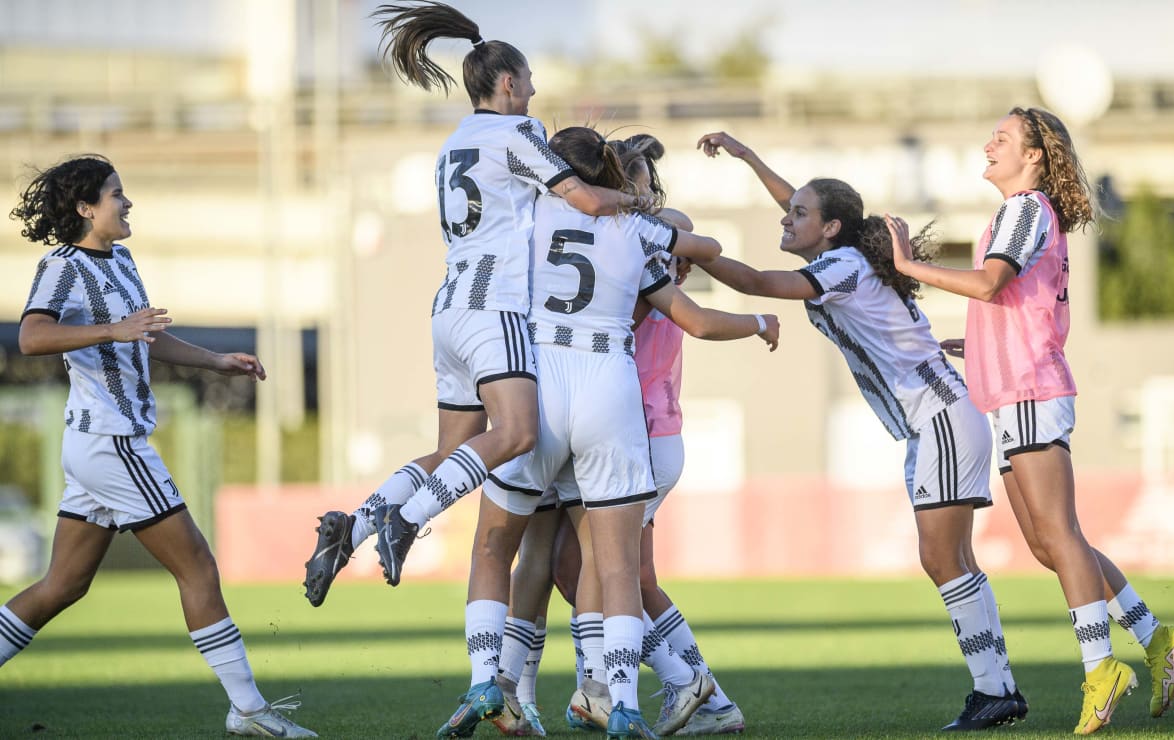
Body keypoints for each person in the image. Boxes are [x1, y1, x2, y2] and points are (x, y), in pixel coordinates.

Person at [302, 0, 652, 607]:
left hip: (449, 310)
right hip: (496, 309)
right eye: (532, 84)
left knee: (451, 450)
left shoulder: (453, 142)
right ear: (510, 83)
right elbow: (586, 202)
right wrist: (638, 205)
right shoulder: (520, 132)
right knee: (515, 434)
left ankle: (353, 525)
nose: (536, 97)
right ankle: (407, 519)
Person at [445, 125, 777, 740]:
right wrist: (640, 211)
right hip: (614, 403)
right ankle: (603, 695)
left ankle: (527, 684)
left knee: (534, 554)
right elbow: (700, 264)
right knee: (586, 565)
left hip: (559, 401)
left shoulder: (529, 223)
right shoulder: (641, 232)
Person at [696, 131, 1028, 731]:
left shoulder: (844, 265)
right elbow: (798, 209)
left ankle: (994, 688)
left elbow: (756, 282)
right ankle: (996, 687)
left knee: (941, 557)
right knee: (952, 558)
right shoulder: (841, 252)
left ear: (829, 229)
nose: (787, 217)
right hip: (937, 418)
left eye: (800, 214)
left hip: (941, 415)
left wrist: (685, 247)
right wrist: (748, 159)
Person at [885, 106, 1174, 735]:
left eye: (1001, 138)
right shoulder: (1018, 211)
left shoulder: (1027, 207)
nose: (988, 144)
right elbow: (1018, 304)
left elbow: (992, 282)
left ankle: (1101, 667)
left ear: (1033, 155)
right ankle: (1157, 637)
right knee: (1050, 541)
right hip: (1015, 392)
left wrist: (908, 265)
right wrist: (974, 343)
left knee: (1060, 535)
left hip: (1030, 391)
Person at [1, 155, 315, 738]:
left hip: (97, 444)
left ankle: (246, 709)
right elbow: (31, 335)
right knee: (197, 566)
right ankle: (246, 708)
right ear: (85, 208)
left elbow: (148, 338)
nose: (127, 203)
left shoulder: (120, 257)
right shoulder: (62, 267)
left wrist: (215, 360)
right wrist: (110, 331)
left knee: (63, 585)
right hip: (112, 443)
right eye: (117, 194)